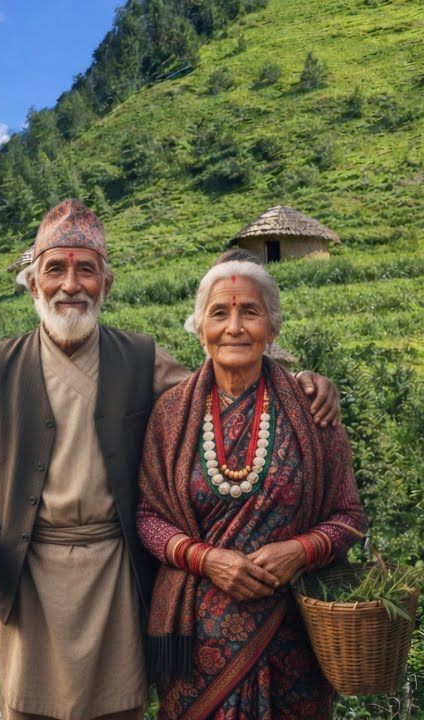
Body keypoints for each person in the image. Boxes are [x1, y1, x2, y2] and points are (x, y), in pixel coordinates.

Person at [0, 198, 341, 720]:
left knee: (120, 708)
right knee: (28, 709)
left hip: (115, 574)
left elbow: (221, 387)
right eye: (55, 269)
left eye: (86, 270)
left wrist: (301, 384)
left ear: (106, 284)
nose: (70, 285)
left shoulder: (139, 357)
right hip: (29, 574)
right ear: (34, 284)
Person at [137, 260, 365, 719]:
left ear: (272, 327)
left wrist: (300, 550)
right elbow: (147, 516)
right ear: (200, 328)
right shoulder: (170, 415)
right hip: (197, 648)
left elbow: (349, 517)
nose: (234, 327)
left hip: (292, 640)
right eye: (219, 313)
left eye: (251, 313)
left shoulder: (312, 411)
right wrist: (207, 560)